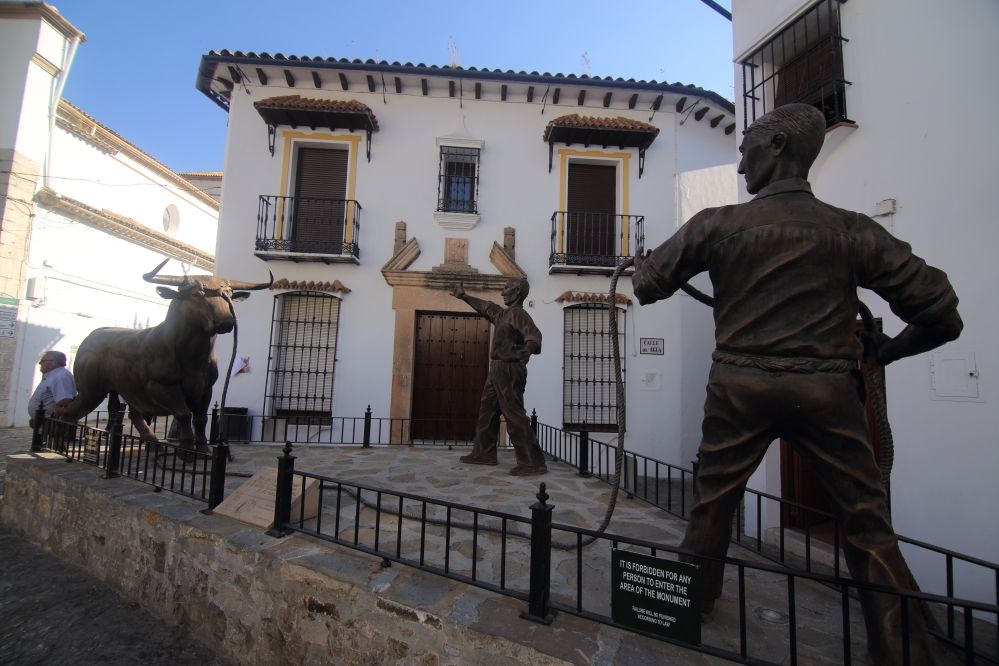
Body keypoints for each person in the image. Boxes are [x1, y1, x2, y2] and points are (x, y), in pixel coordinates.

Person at [632, 103, 961, 665]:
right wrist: (888, 350)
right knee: (865, 520)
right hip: (827, 391)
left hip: (739, 386)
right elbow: (943, 311)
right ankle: (903, 651)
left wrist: (641, 265)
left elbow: (649, 285)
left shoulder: (716, 224)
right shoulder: (851, 229)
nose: (740, 163)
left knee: (712, 503)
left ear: (778, 145)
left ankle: (695, 597)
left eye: (747, 148)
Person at [450, 278, 548, 476]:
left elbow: (535, 337)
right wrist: (464, 296)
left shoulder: (518, 314)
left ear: (517, 291)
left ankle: (532, 462)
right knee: (487, 411)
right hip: (497, 368)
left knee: (513, 415)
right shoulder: (504, 314)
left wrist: (526, 351)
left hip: (509, 369)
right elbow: (486, 307)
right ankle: (483, 453)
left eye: (506, 289)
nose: (502, 293)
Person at [28, 351, 77, 427]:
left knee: (53, 439)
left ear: (53, 363)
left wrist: (48, 414)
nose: (40, 363)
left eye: (43, 361)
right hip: (44, 420)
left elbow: (65, 400)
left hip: (53, 423)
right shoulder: (53, 375)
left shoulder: (60, 376)